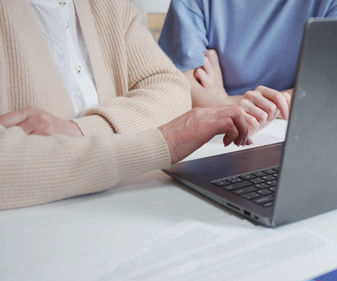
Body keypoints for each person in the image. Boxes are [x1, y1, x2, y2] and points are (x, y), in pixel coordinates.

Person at [0, 0, 251, 210]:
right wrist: (165, 142)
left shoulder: (111, 4)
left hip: (122, 204)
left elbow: (172, 89)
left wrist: (79, 131)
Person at [159, 0, 337, 133]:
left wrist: (225, 101)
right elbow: (183, 84)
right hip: (217, 137)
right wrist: (232, 109)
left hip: (303, 132)